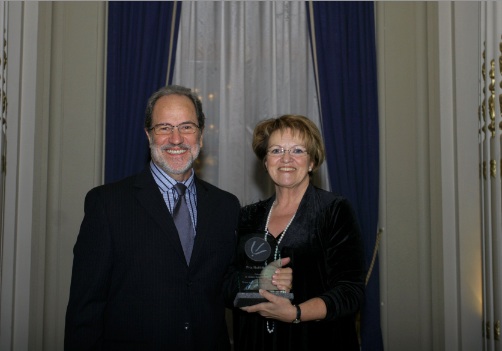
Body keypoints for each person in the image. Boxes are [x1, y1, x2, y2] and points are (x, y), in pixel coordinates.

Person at [64, 85, 243, 350]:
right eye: (164, 127)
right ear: (148, 135)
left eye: (186, 127)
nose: (176, 139)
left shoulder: (226, 205)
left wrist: (266, 280)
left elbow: (225, 284)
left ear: (201, 136)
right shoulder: (107, 204)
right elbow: (86, 307)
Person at [225, 114, 366, 350]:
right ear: (265, 161)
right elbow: (225, 284)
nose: (286, 159)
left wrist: (296, 313)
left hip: (316, 338)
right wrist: (258, 282)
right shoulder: (248, 216)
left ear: (312, 162)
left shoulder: (333, 210)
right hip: (254, 339)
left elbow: (350, 291)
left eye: (298, 150)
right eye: (276, 150)